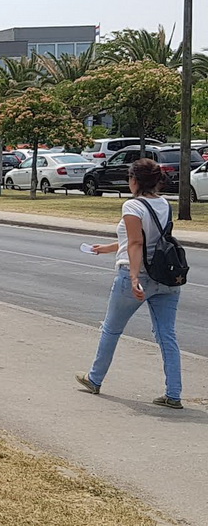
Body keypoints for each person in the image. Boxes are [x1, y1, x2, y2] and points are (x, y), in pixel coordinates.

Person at [75, 158, 183, 409]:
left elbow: (136, 243)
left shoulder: (132, 206)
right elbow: (147, 240)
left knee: (111, 329)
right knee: (166, 334)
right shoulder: (164, 204)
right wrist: (107, 248)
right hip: (166, 277)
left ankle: (95, 378)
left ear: (135, 180)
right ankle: (174, 393)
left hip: (137, 275)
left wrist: (134, 277)